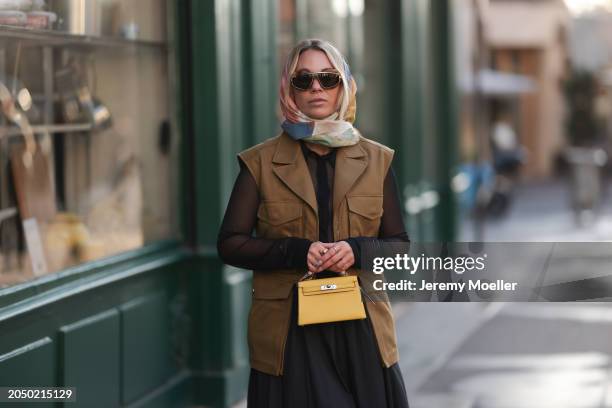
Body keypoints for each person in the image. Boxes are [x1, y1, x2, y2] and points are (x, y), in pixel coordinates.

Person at [217, 38, 410, 408]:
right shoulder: (259, 163)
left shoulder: (377, 161)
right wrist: (296, 251)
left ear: (345, 86)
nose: (316, 87)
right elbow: (230, 243)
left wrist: (354, 250)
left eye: (328, 78)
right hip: (289, 332)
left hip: (362, 328)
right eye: (303, 80)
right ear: (289, 90)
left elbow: (400, 246)